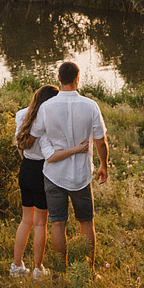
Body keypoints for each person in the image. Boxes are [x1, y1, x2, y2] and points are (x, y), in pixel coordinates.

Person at [31, 60, 108, 271]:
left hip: (54, 175)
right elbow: (100, 140)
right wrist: (104, 165)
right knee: (86, 223)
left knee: (57, 223)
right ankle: (89, 271)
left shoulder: (46, 108)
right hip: (81, 176)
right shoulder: (90, 106)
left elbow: (35, 134)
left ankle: (59, 273)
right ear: (77, 79)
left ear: (58, 79)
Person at [8, 84, 58, 277]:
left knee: (25, 220)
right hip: (42, 170)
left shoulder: (22, 115)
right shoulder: (49, 121)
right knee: (40, 224)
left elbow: (20, 147)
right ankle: (38, 269)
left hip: (26, 168)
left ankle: (17, 265)